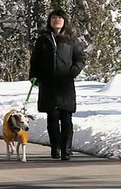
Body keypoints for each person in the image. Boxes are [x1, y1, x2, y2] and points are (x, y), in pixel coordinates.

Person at [29, 9, 86, 161]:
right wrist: (34, 77)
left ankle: (66, 150)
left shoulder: (71, 38)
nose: (57, 20)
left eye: (60, 18)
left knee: (66, 118)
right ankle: (55, 148)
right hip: (48, 84)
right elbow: (35, 61)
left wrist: (73, 71)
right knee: (52, 117)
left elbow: (80, 58)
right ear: (50, 20)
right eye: (54, 17)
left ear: (64, 20)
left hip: (65, 84)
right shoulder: (43, 39)